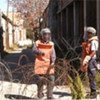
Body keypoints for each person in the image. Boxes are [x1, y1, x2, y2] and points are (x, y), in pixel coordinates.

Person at [33, 28, 56, 99]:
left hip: (49, 64)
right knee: (40, 80)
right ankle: (40, 95)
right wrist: (39, 52)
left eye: (48, 34)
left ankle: (50, 96)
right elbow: (34, 50)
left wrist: (53, 62)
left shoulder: (51, 44)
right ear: (42, 35)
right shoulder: (37, 43)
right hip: (39, 64)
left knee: (51, 79)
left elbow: (53, 54)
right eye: (45, 34)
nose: (47, 36)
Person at [80, 27, 99, 99]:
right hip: (89, 60)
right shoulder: (89, 41)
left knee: (92, 76)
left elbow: (93, 51)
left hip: (92, 60)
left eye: (88, 33)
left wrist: (88, 58)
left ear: (91, 34)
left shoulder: (94, 41)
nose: (87, 34)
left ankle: (94, 93)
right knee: (89, 76)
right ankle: (92, 92)